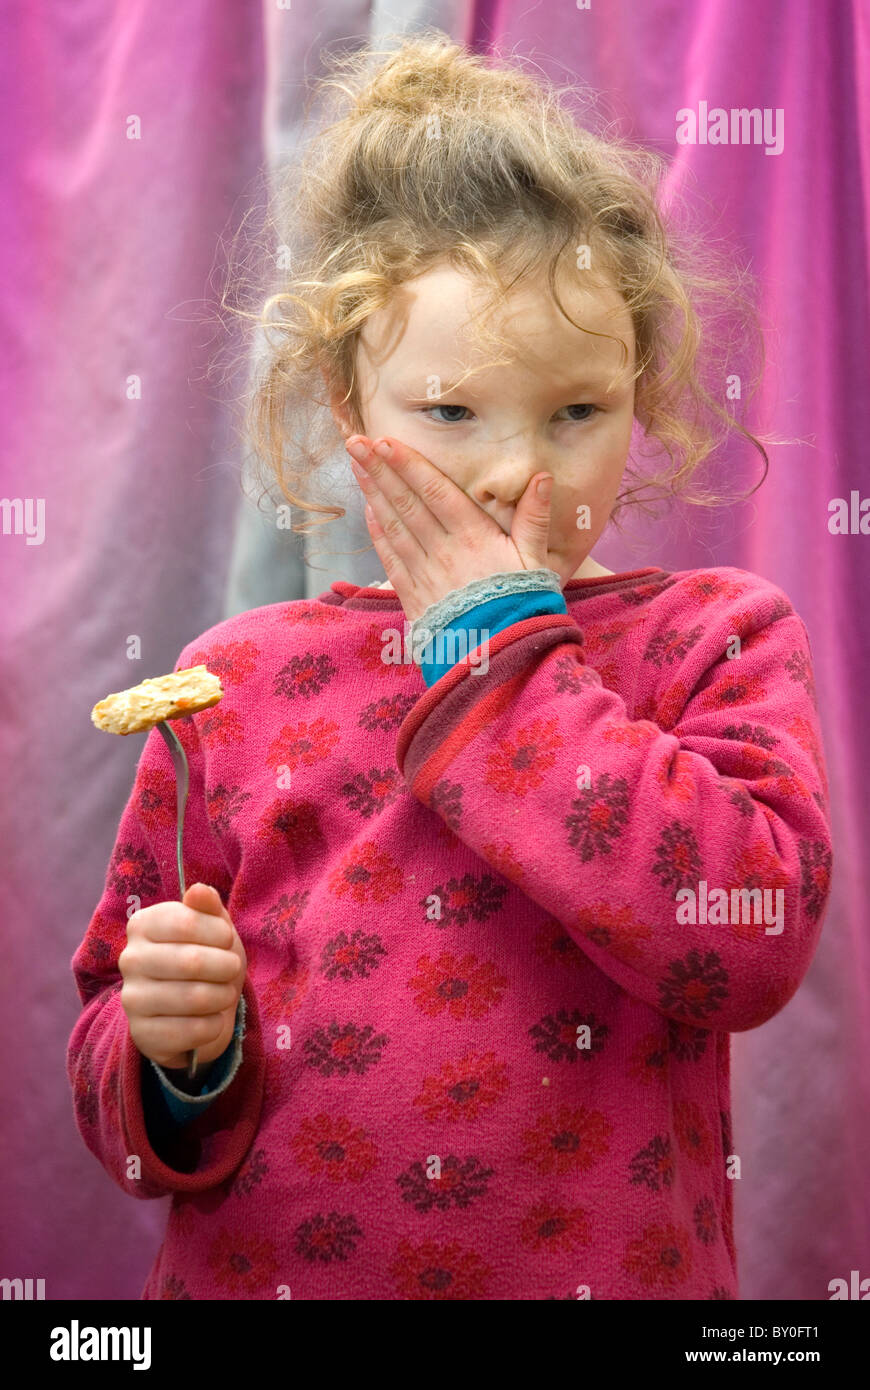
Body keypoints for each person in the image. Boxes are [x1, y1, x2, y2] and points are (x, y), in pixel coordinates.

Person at [67, 32, 832, 1300]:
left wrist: (502, 658)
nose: (507, 473)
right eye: (449, 411)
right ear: (346, 397)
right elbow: (113, 1040)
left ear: (639, 393)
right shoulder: (226, 686)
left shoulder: (717, 639)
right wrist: (175, 1057)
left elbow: (745, 946)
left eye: (575, 412)